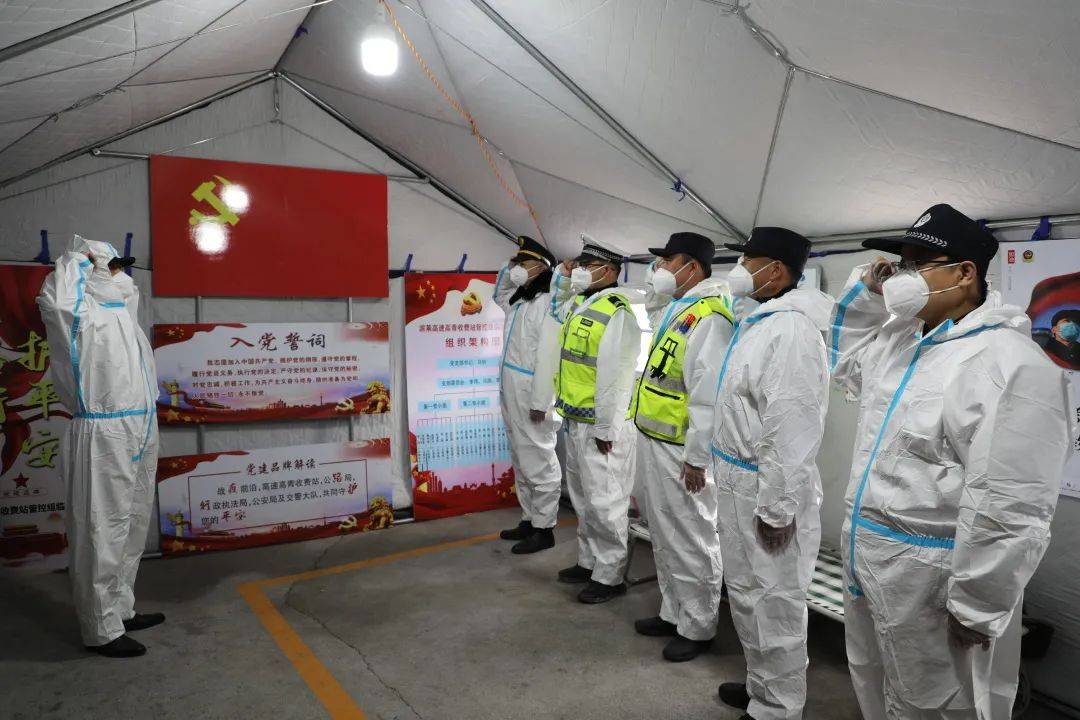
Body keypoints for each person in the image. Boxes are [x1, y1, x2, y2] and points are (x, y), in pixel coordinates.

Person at [830, 203, 1075, 719]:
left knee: (937, 704)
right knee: (872, 678)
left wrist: (978, 604)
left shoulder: (1008, 362)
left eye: (919, 264)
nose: (904, 276)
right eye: (902, 264)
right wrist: (866, 295)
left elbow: (1010, 504)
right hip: (867, 553)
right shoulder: (899, 340)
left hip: (932, 576)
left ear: (965, 273)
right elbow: (844, 366)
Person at [711, 227, 833, 720]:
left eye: (749, 261)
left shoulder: (793, 332)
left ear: (776, 270)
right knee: (747, 594)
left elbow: (791, 427)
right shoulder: (760, 321)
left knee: (774, 600)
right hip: (740, 480)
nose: (740, 270)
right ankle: (761, 685)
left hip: (766, 486)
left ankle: (779, 707)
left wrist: (777, 507)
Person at [37, 235, 163, 658]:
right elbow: (56, 301)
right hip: (103, 430)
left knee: (131, 523)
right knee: (101, 528)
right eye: (109, 267)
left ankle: (121, 608)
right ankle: (100, 627)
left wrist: (110, 271)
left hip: (140, 424)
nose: (117, 273)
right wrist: (78, 257)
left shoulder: (120, 310)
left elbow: (127, 291)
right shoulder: (77, 313)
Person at [629, 232, 734, 662]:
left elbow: (707, 395)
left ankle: (699, 625)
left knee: (692, 535)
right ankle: (673, 612)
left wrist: (697, 457)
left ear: (692, 267)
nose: (659, 269)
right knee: (664, 533)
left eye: (668, 261)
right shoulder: (679, 307)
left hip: (681, 449)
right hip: (656, 440)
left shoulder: (711, 316)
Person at [550, 236, 642, 604]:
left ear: (610, 271)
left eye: (588, 266)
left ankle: (610, 574)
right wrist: (562, 278)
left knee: (606, 502)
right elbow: (555, 315)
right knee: (584, 500)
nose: (581, 271)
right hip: (576, 419)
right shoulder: (582, 304)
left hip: (601, 425)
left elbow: (616, 377)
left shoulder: (617, 312)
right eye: (580, 265)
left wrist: (607, 427)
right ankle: (589, 561)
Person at [493, 236, 563, 554]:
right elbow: (500, 292)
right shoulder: (520, 300)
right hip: (511, 389)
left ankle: (544, 527)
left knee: (539, 458)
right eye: (517, 262)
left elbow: (550, 357)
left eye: (524, 263)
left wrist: (541, 401)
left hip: (533, 393)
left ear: (542, 268)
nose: (518, 268)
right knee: (521, 457)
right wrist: (510, 268)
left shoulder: (549, 303)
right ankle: (529, 517)